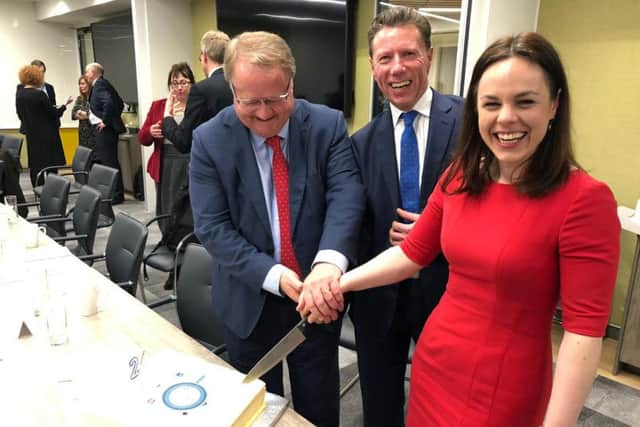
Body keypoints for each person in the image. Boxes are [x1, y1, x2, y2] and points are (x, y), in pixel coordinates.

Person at [299, 32, 621, 427]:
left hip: (504, 386)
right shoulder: (460, 176)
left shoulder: (584, 200)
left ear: (554, 105)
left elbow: (583, 335)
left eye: (525, 101)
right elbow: (410, 253)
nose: (506, 118)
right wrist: (337, 283)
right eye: (491, 104)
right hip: (434, 368)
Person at [189, 31, 365, 426]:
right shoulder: (209, 140)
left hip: (317, 299)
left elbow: (346, 195)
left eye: (276, 99)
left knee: (317, 407)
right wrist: (272, 273)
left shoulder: (326, 125)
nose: (265, 113)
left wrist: (328, 263)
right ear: (233, 89)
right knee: (256, 412)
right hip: (249, 298)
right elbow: (213, 228)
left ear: (292, 84)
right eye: (251, 102)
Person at [349, 7, 463, 426]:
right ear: (373, 66)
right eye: (385, 57)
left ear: (429, 56)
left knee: (448, 406)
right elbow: (353, 223)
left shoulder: (471, 123)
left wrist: (439, 229)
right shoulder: (359, 144)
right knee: (379, 406)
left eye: (409, 54)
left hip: (451, 294)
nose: (397, 68)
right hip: (379, 299)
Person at [138, 62, 196, 289]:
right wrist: (150, 132)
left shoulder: (196, 106)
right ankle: (171, 260)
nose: (179, 87)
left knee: (185, 216)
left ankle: (184, 264)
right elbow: (142, 138)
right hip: (165, 165)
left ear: (191, 83)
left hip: (189, 164)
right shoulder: (159, 105)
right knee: (165, 212)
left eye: (183, 82)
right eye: (175, 82)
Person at [162, 30, 233, 153]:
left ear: (204, 56)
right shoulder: (241, 83)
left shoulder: (201, 90)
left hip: (214, 163)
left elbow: (184, 142)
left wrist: (167, 117)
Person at [15, 65, 69, 187]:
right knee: (50, 164)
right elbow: (53, 114)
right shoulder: (39, 95)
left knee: (35, 165)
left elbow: (20, 114)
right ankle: (52, 189)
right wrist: (64, 106)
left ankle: (38, 190)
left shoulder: (20, 94)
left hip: (32, 135)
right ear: (37, 77)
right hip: (47, 135)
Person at [85, 62, 126, 204]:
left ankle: (116, 195)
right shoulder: (102, 84)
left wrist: (106, 121)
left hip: (105, 131)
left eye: (87, 72)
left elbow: (109, 102)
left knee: (109, 162)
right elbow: (119, 102)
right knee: (108, 161)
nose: (86, 75)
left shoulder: (100, 84)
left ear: (95, 72)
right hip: (105, 131)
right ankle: (114, 193)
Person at [16, 59, 71, 134]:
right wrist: (64, 106)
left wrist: (60, 107)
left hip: (51, 127)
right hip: (32, 130)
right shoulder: (22, 88)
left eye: (43, 72)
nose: (41, 75)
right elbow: (20, 111)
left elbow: (52, 107)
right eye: (38, 72)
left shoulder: (49, 87)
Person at [71, 75, 94, 149]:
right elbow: (73, 115)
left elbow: (94, 114)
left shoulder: (94, 98)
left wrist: (83, 114)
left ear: (89, 84)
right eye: (79, 84)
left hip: (93, 132)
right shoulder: (80, 99)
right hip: (83, 134)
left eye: (83, 84)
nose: (81, 86)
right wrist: (85, 115)